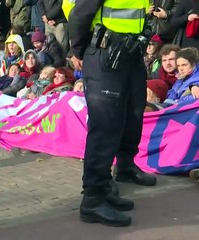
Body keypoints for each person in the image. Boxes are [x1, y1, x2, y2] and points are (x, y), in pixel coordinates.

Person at [68, 0, 157, 227]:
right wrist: (79, 50)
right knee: (105, 125)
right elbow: (80, 14)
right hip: (105, 53)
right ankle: (93, 198)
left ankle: (118, 172)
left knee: (131, 114)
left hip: (129, 52)